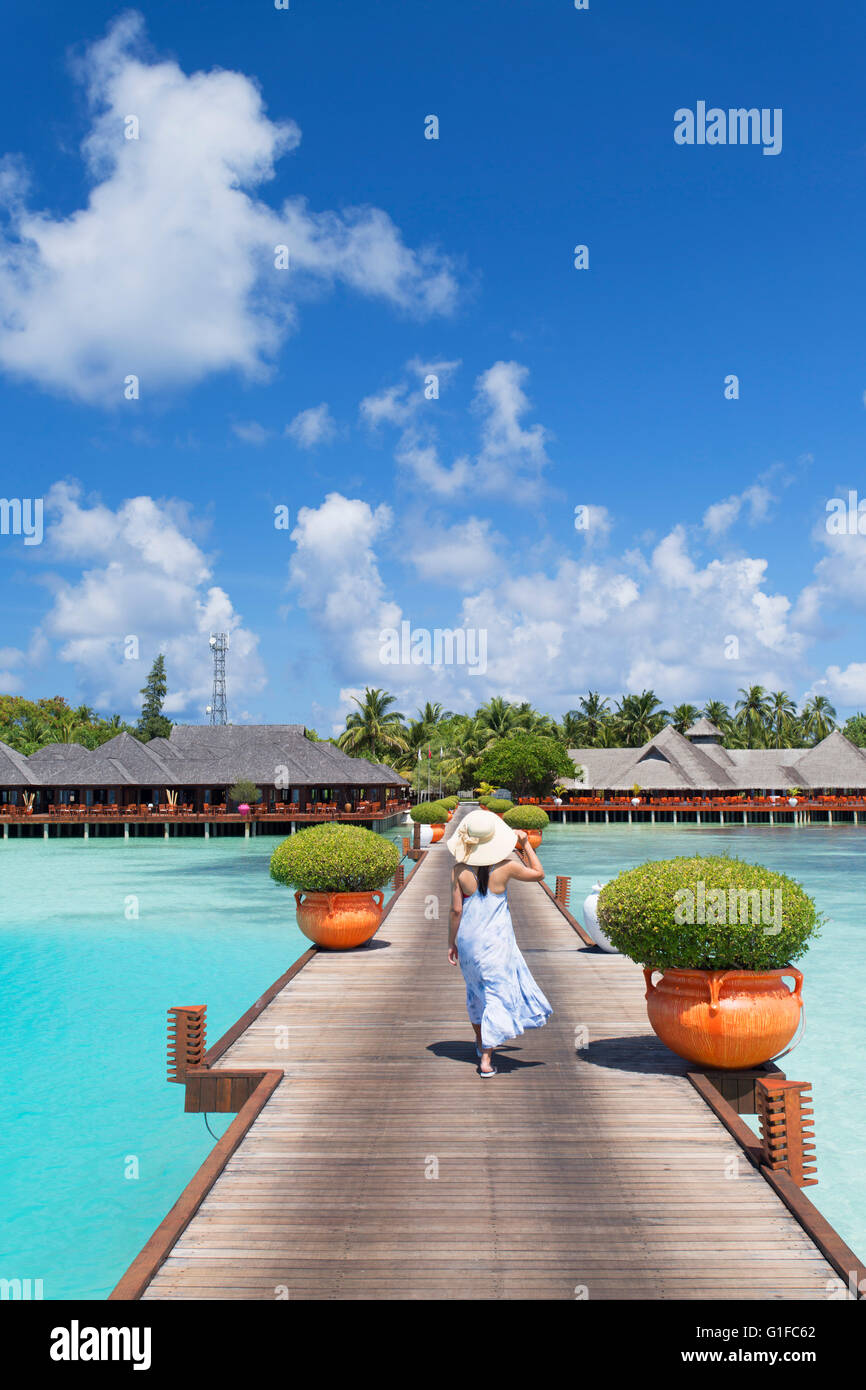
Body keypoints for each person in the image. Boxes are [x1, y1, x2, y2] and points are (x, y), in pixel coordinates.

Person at [447, 808, 552, 1076]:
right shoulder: (506, 867)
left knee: (475, 993)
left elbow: (456, 911)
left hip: (469, 941)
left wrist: (452, 943)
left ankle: (482, 1041)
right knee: (495, 995)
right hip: (495, 943)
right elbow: (538, 873)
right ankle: (485, 1059)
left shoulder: (459, 869)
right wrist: (526, 844)